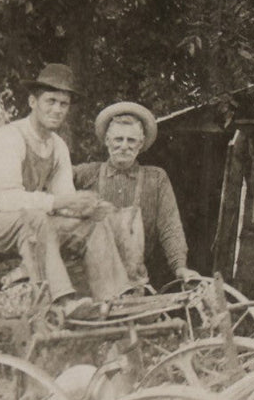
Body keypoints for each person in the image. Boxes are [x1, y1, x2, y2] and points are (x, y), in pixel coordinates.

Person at [0, 64, 140, 316]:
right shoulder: (10, 138)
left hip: (28, 223)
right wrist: (64, 202)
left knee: (93, 224)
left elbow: (63, 203)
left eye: (63, 104)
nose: (57, 109)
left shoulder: (58, 147)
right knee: (35, 218)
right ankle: (61, 302)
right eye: (50, 101)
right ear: (33, 101)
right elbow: (9, 199)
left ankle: (112, 301)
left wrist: (88, 208)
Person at [73, 102, 201, 285]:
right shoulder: (86, 174)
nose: (124, 146)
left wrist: (180, 266)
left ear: (140, 144)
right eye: (118, 139)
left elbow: (170, 227)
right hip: (89, 282)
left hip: (132, 283)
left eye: (131, 140)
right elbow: (53, 176)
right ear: (107, 141)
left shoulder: (156, 179)